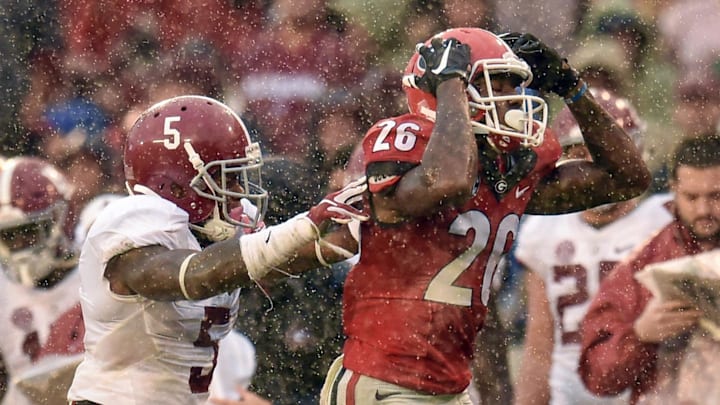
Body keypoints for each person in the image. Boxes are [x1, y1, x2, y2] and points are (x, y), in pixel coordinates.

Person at [316, 27, 650, 404]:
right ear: (446, 90)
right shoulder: (412, 158)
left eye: (511, 87)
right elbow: (450, 180)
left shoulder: (506, 174)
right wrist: (450, 86)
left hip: (448, 386)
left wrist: (571, 86)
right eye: (496, 86)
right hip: (385, 382)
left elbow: (627, 179)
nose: (512, 100)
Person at [66, 95, 368, 404]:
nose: (238, 191)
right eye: (228, 177)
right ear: (178, 183)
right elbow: (194, 277)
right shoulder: (135, 223)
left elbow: (273, 261)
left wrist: (344, 238)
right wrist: (307, 224)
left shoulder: (210, 232)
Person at [513, 88, 674, 405]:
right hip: (569, 395)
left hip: (647, 391)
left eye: (604, 154)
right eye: (581, 153)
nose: (595, 167)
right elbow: (539, 346)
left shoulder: (666, 219)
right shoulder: (544, 229)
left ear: (634, 155)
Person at [579, 134, 720, 404]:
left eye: (716, 196)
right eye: (692, 197)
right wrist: (640, 335)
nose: (704, 210)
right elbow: (597, 376)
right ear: (673, 190)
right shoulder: (646, 262)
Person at [0, 156, 85, 405]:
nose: (19, 248)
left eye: (28, 232)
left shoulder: (101, 266)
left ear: (63, 218)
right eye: (9, 237)